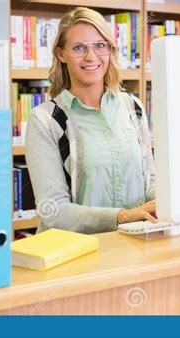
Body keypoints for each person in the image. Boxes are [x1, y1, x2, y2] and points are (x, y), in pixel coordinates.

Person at [25, 7, 156, 234]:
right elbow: (53, 209)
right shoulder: (46, 120)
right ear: (61, 54)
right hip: (76, 255)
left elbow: (149, 180)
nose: (91, 57)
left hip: (134, 244)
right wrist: (123, 217)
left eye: (100, 45)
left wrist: (165, 202)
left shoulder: (132, 107)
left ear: (110, 51)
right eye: (78, 48)